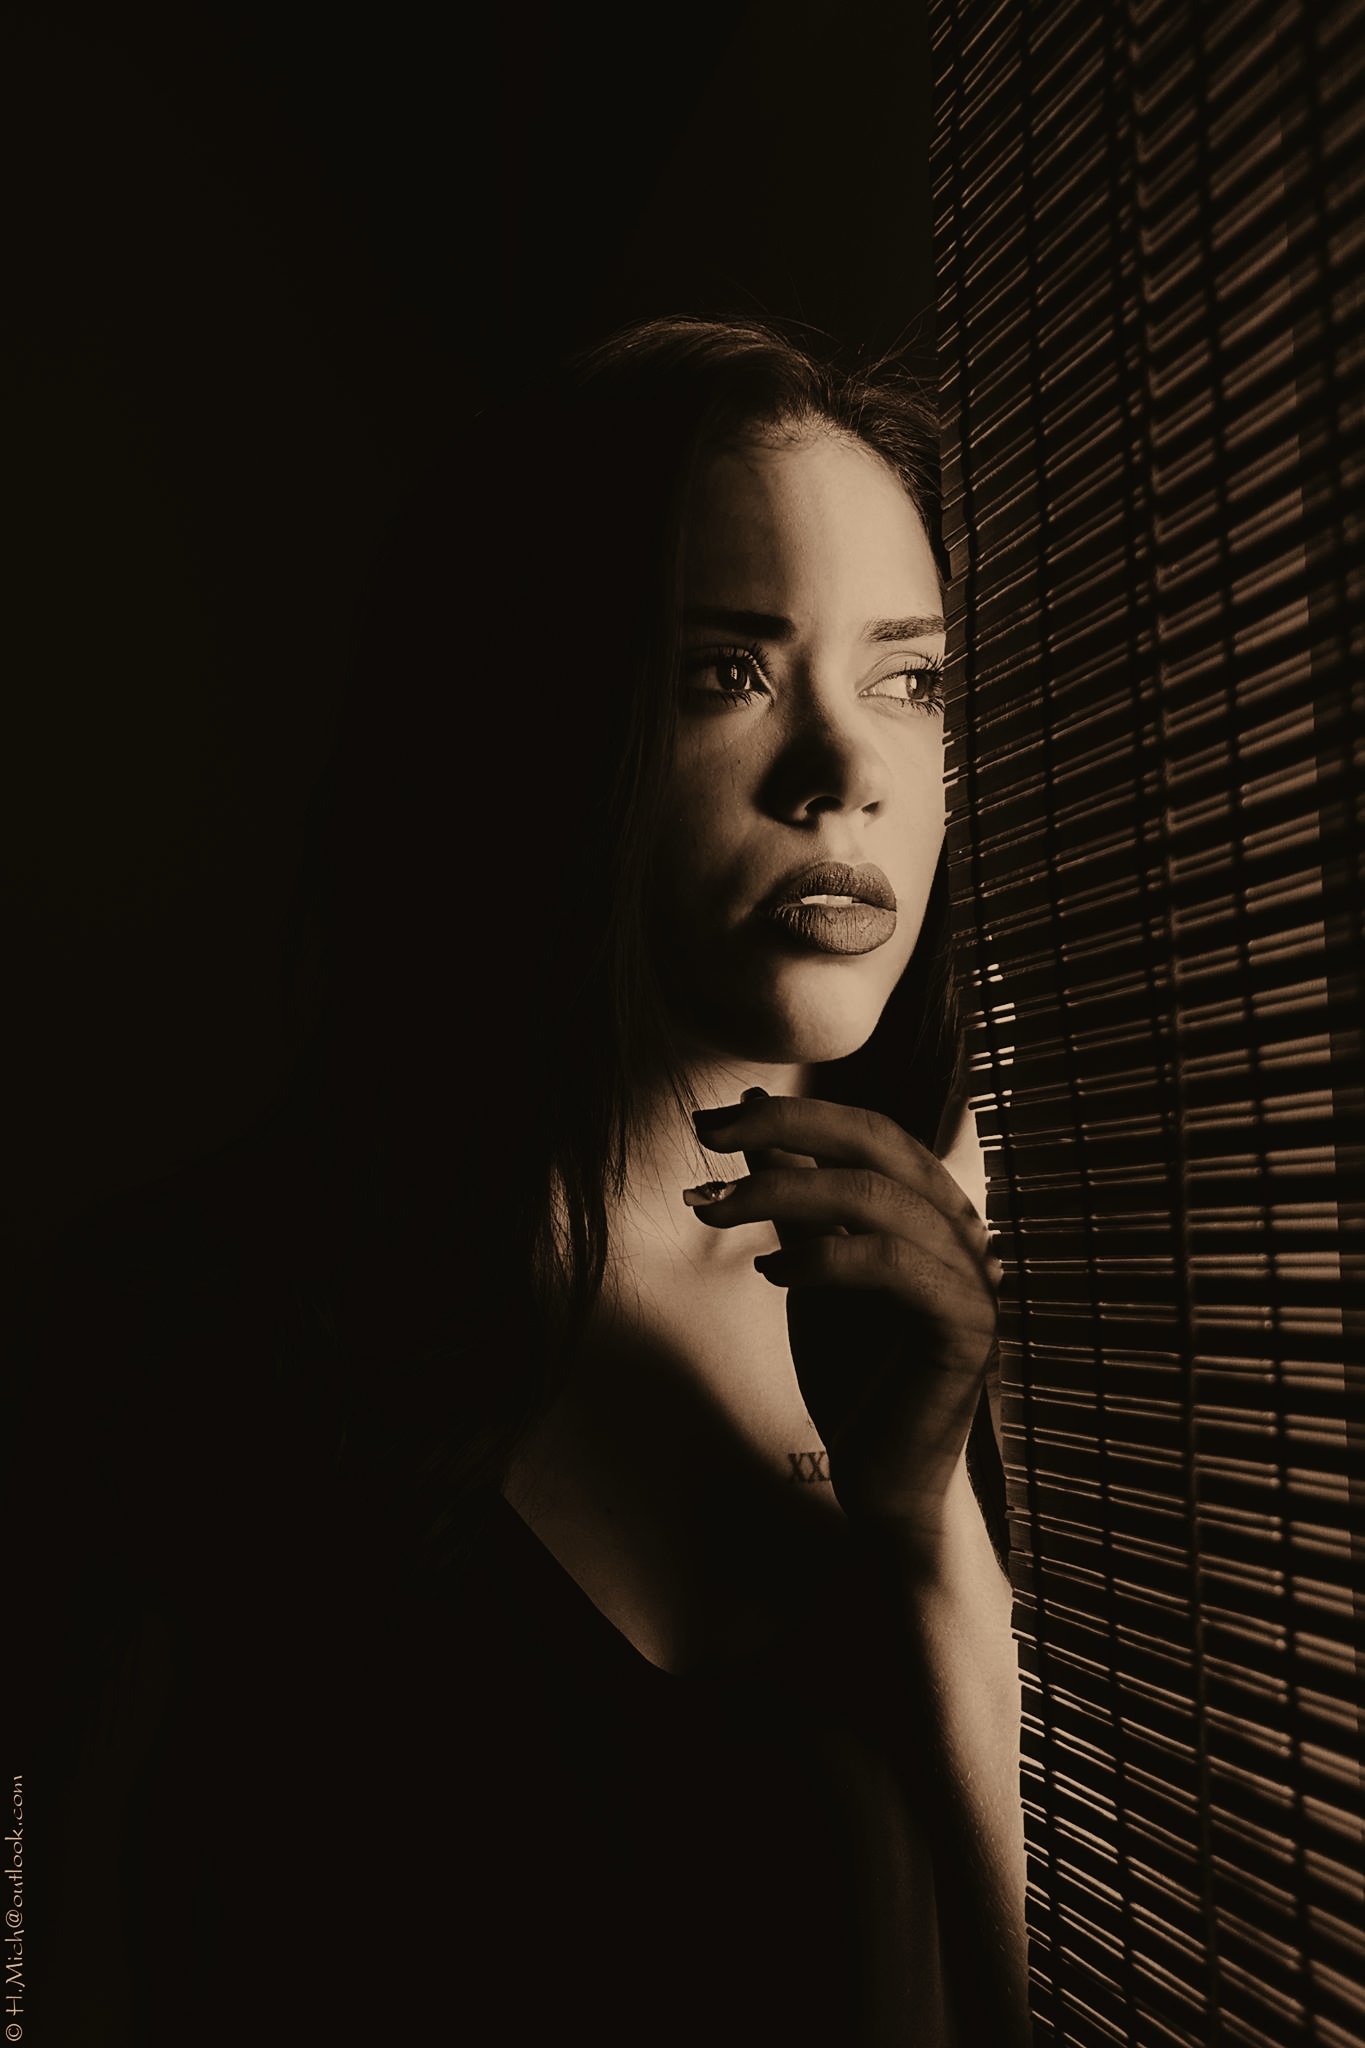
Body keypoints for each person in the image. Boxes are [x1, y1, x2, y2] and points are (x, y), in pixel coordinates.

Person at [17, 316, 1026, 2045]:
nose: (843, 773)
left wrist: (928, 1534)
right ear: (538, 718)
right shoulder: (183, 1322)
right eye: (724, 671)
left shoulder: (1041, 1349)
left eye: (909, 681)